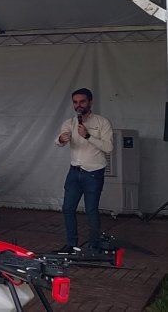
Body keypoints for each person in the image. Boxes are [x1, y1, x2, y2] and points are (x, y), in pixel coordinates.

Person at [55, 87, 113, 252]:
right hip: (74, 172)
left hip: (93, 173)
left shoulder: (102, 122)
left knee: (91, 210)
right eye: (75, 102)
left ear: (90, 102)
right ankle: (71, 244)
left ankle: (94, 245)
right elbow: (58, 142)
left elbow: (108, 148)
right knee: (68, 208)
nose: (78, 105)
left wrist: (88, 136)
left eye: (82, 101)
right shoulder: (69, 122)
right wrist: (61, 139)